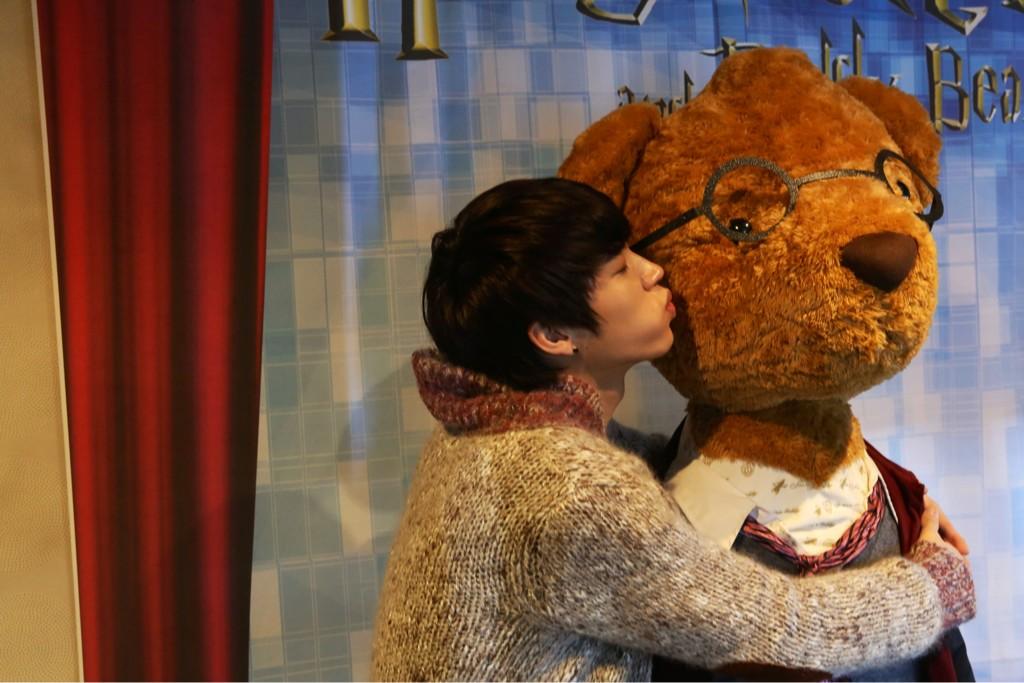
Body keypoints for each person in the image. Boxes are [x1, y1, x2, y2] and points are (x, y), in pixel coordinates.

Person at [371, 177, 975, 682]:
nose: (654, 271)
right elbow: (783, 630)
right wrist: (932, 586)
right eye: (619, 268)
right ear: (554, 335)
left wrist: (846, 482)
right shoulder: (573, 492)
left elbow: (614, 470)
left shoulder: (476, 435)